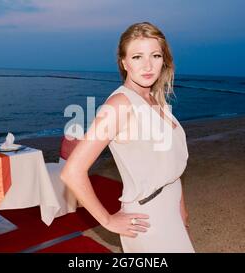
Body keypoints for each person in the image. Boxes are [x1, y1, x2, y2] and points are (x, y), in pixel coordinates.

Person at [60, 22, 194, 253]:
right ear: (124, 62)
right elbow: (72, 172)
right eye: (137, 57)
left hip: (169, 207)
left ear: (165, 60)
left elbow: (170, 164)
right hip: (148, 218)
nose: (148, 65)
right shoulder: (120, 104)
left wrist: (181, 207)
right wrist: (108, 221)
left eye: (155, 55)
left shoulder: (155, 100)